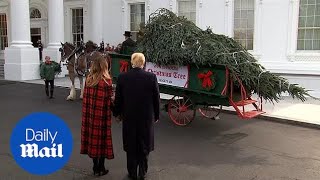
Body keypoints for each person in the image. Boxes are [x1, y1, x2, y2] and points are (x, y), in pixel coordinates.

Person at [113, 53, 160, 180]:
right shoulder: (151, 77)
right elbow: (156, 99)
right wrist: (156, 115)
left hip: (129, 116)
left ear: (132, 62)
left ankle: (132, 172)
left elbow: (118, 99)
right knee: (144, 144)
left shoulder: (123, 77)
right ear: (143, 63)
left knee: (131, 145)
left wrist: (117, 113)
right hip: (146, 117)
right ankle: (142, 172)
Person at [80, 51, 114, 176]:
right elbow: (110, 101)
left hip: (90, 117)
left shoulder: (88, 80)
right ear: (104, 66)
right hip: (102, 117)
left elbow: (85, 99)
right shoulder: (106, 82)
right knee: (102, 142)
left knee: (93, 142)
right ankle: (101, 167)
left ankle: (95, 168)